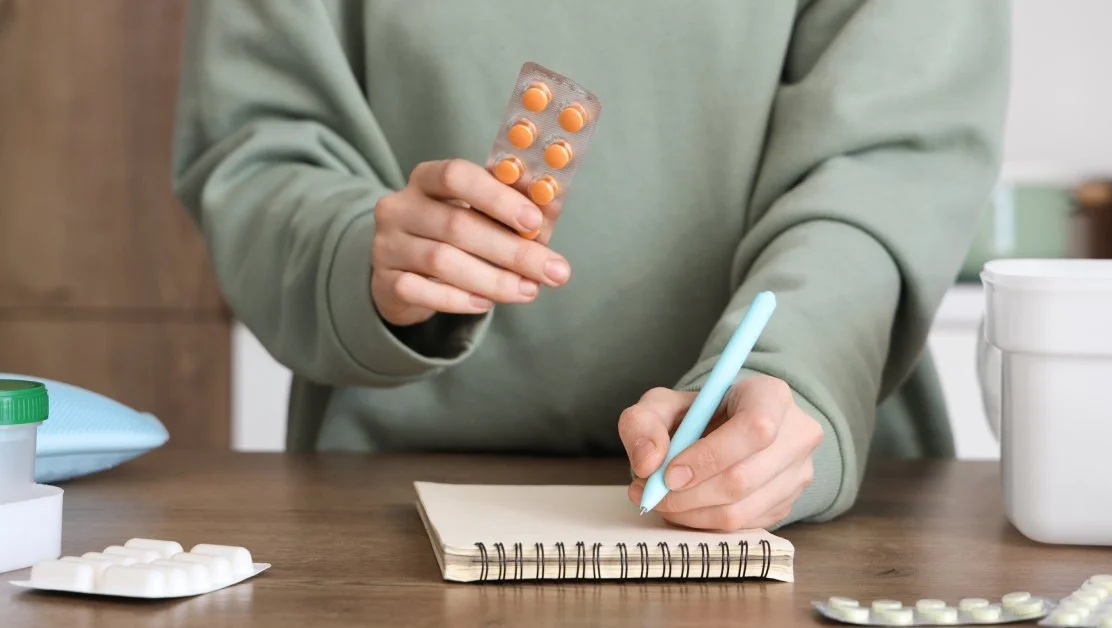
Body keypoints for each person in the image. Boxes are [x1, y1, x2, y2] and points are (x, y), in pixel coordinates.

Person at [171, 1, 1009, 531]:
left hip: (785, 495)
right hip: (390, 499)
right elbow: (259, 146)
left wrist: (794, 374)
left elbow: (884, 169)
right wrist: (365, 251)